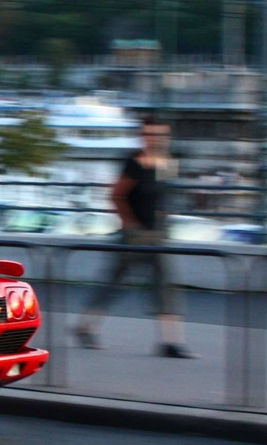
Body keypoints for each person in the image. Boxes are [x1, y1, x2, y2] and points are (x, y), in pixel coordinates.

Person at [72, 118, 195, 358]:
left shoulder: (168, 162)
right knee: (114, 283)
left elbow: (163, 194)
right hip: (135, 235)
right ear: (142, 136)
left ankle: (171, 342)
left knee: (165, 285)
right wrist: (129, 225)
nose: (155, 138)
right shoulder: (134, 163)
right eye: (149, 133)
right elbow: (116, 196)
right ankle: (84, 327)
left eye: (160, 134)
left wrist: (162, 217)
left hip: (158, 234)